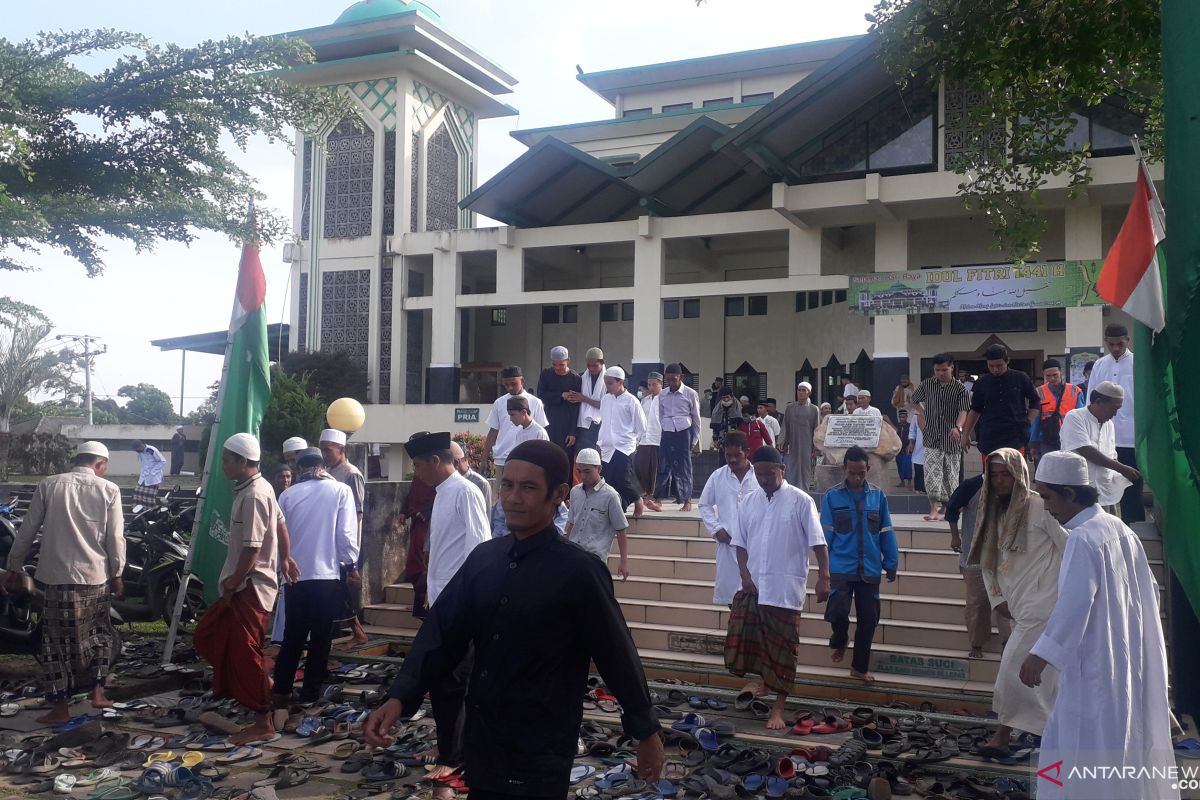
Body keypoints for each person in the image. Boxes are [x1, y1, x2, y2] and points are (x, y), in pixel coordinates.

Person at [364, 440, 665, 796]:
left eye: (529, 487)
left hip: (540, 745)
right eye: (507, 485)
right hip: (484, 739)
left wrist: (646, 730)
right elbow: (443, 633)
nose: (513, 498)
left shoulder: (579, 571)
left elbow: (617, 654)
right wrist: (400, 696)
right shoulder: (484, 560)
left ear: (558, 494)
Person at [1021, 451, 1176, 800]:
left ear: (1070, 494)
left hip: (1095, 664)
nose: (1045, 506)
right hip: (1126, 658)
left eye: (1047, 496)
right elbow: (1150, 591)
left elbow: (1075, 604)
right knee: (1125, 738)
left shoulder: (1084, 537)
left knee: (1079, 743)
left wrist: (1041, 654)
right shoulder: (1119, 529)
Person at [6, 441, 123, 723]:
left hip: (56, 580)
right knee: (99, 637)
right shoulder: (109, 489)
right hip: (95, 579)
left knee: (56, 642)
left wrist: (13, 566)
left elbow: (28, 529)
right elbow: (115, 537)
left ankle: (60, 708)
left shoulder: (49, 485)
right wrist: (118, 574)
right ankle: (97, 693)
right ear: (100, 465)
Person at [194, 433, 298, 745]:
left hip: (248, 588)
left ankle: (262, 717)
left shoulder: (254, 494)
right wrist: (286, 557)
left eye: (227, 459)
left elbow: (251, 551)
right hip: (248, 585)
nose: (223, 465)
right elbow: (280, 525)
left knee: (244, 653)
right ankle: (249, 688)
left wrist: (232, 584)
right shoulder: (261, 487)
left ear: (242, 462)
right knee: (209, 638)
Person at [967, 448, 1067, 759]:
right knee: (1043, 678)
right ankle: (1048, 734)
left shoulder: (1041, 507)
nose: (999, 481)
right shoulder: (990, 511)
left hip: (1045, 603)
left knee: (1012, 668)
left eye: (1005, 474)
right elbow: (987, 561)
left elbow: (1070, 548)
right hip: (1019, 604)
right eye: (994, 475)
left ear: (1018, 474)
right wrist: (997, 599)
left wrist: (1069, 593)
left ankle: (1003, 734)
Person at [725, 446, 830, 729]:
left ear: (781, 470)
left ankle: (778, 709)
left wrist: (824, 578)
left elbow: (818, 543)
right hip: (754, 588)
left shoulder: (801, 501)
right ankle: (765, 682)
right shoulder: (748, 501)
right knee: (754, 645)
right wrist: (745, 577)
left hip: (785, 590)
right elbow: (740, 544)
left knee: (784, 652)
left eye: (769, 473)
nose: (763, 479)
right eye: (758, 474)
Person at [405, 431, 490, 779]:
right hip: (441, 601)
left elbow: (479, 547)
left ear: (436, 462)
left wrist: (470, 604)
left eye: (419, 465)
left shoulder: (465, 492)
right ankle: (447, 747)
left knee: (452, 683)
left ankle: (453, 758)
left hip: (460, 606)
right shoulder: (442, 493)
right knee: (441, 681)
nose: (417, 473)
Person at [272, 448, 358, 704]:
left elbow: (278, 537)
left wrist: (281, 570)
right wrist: (351, 563)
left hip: (295, 577)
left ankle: (281, 690)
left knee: (292, 638)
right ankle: (310, 694)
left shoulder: (288, 495)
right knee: (321, 640)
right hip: (327, 577)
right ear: (323, 466)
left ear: (299, 469)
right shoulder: (340, 491)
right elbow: (346, 535)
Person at [821, 447, 897, 683]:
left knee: (868, 619)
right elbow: (825, 538)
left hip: (871, 568)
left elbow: (886, 531)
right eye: (852, 473)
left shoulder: (878, 497)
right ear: (845, 469)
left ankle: (859, 667)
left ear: (868, 470)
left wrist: (891, 561)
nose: (856, 478)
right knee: (838, 612)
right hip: (841, 566)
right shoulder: (831, 497)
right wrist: (824, 570)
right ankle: (840, 640)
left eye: (861, 473)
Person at [944, 474, 1011, 658]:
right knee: (977, 602)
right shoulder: (972, 486)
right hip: (974, 555)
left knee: (1007, 600)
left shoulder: (1015, 485)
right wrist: (955, 536)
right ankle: (977, 644)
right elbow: (951, 508)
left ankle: (1009, 643)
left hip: (1005, 556)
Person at [1058, 382, 1140, 514]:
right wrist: (1122, 468)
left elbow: (1111, 455)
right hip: (1080, 491)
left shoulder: (1109, 425)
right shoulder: (1075, 417)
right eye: (1113, 408)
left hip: (1105, 491)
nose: (1115, 414)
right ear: (1098, 401)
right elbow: (1086, 450)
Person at [320, 428, 368, 649]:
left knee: (343, 591)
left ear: (341, 450)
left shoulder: (351, 474)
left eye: (328, 451)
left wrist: (353, 558)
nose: (325, 455)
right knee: (336, 591)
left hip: (347, 544)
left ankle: (358, 632)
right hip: (330, 543)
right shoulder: (325, 472)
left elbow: (357, 515)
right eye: (322, 451)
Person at [1088, 324, 1142, 522]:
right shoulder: (1100, 365)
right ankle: (1107, 525)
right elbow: (1090, 401)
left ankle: (1134, 526)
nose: (1116, 348)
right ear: (1106, 343)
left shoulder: (1138, 363)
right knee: (1104, 484)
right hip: (1104, 438)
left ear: (1128, 341)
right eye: (1112, 344)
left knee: (1130, 485)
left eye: (1120, 344)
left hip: (1131, 438)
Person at [698, 431, 758, 605]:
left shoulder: (758, 477)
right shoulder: (717, 476)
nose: (732, 460)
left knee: (757, 595)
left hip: (755, 546)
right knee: (732, 597)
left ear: (747, 452)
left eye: (737, 455)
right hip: (728, 545)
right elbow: (704, 504)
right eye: (728, 455)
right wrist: (716, 529)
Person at [910, 353, 971, 521]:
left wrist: (958, 428)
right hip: (932, 437)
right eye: (937, 370)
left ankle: (948, 508)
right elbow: (914, 400)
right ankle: (933, 510)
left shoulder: (960, 389)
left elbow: (964, 411)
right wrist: (923, 413)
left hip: (952, 438)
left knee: (950, 474)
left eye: (944, 369)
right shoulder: (927, 385)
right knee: (931, 473)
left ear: (952, 367)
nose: (941, 373)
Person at [962, 344, 1039, 457]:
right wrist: (966, 434)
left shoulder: (1021, 378)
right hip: (989, 436)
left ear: (1007, 361)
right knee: (989, 472)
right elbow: (975, 410)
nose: (995, 369)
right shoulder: (981, 383)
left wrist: (1028, 421)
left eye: (999, 365)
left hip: (1016, 435)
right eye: (991, 366)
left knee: (1015, 472)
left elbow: (1035, 402)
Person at [565, 448, 630, 579]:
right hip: (573, 554)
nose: (583, 476)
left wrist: (624, 562)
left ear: (599, 469)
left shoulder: (610, 495)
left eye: (587, 471)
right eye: (579, 471)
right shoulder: (575, 492)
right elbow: (571, 523)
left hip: (595, 559)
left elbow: (621, 529)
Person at [598, 366, 647, 516]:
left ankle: (638, 500)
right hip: (607, 447)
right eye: (606, 383)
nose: (607, 386)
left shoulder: (631, 401)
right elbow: (604, 421)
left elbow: (641, 426)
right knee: (609, 482)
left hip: (624, 447)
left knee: (623, 480)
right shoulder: (605, 399)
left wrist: (630, 439)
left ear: (620, 382)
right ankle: (619, 510)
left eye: (610, 383)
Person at [656, 363, 703, 511]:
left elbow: (696, 419)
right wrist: (664, 427)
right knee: (663, 464)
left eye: (674, 379)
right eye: (668, 380)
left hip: (684, 432)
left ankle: (687, 500)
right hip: (667, 431)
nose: (671, 383)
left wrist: (693, 440)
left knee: (684, 467)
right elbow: (661, 415)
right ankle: (658, 499)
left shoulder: (690, 393)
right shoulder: (662, 394)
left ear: (681, 377)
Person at [484, 366, 550, 469]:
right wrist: (484, 458)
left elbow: (541, 432)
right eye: (506, 385)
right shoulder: (499, 402)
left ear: (522, 380)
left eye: (513, 384)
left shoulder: (535, 402)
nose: (510, 387)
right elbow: (493, 431)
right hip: (502, 459)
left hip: (527, 462)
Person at [400, 474, 436, 618]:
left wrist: (424, 514)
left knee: (424, 564)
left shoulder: (438, 477)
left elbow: (439, 496)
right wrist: (404, 511)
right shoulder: (419, 475)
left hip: (428, 525)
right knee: (414, 564)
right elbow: (412, 493)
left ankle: (423, 605)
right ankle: (418, 604)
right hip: (417, 524)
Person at [1032, 359, 1083, 458]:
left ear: (1061, 372)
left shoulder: (1075, 391)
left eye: (1055, 375)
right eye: (1048, 376)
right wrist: (1034, 443)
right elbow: (1035, 421)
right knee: (1048, 469)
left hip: (1070, 439)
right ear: (1044, 375)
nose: (1052, 378)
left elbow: (1081, 417)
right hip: (1047, 440)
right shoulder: (1039, 392)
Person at [536, 345, 581, 455]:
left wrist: (572, 432)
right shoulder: (546, 374)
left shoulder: (575, 378)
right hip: (548, 419)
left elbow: (576, 407)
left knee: (565, 457)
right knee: (548, 455)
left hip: (566, 423)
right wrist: (561, 395)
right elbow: (541, 395)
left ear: (568, 361)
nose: (557, 368)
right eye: (554, 365)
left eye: (561, 364)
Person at [779, 381, 820, 491]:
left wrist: (815, 447)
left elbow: (816, 428)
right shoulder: (790, 408)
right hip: (792, 444)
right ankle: (791, 491)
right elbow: (785, 426)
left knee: (805, 469)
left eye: (804, 390)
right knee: (791, 468)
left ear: (809, 393)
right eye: (799, 390)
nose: (801, 393)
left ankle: (804, 492)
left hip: (807, 445)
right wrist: (782, 442)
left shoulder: (814, 409)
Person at [567, 347, 606, 457]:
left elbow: (606, 406)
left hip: (601, 425)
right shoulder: (581, 378)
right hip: (583, 426)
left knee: (598, 458)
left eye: (595, 366)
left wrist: (584, 399)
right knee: (582, 458)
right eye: (588, 365)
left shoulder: (608, 381)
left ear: (602, 363)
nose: (591, 368)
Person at [634, 372, 663, 512]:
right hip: (645, 439)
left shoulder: (665, 399)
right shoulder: (645, 400)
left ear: (661, 384)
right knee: (640, 466)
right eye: (649, 384)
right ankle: (646, 493)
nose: (651, 387)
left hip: (659, 439)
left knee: (656, 469)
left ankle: (655, 498)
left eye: (654, 384)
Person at [450, 440, 491, 508]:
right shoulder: (446, 481)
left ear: (466, 458)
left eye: (454, 461)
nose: (451, 465)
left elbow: (486, 514)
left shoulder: (480, 483)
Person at [132, 439, 166, 508]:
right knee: (137, 493)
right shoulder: (140, 452)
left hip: (153, 478)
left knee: (149, 497)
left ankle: (150, 511)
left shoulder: (152, 450)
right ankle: (139, 510)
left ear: (141, 446)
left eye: (137, 449)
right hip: (144, 477)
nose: (137, 451)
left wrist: (153, 471)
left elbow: (162, 461)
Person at [908, 412, 926, 494]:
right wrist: (911, 443)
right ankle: (918, 488)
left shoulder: (935, 413)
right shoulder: (916, 416)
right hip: (919, 446)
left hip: (932, 446)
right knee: (918, 468)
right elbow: (912, 431)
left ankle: (927, 488)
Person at [895, 409, 912, 489]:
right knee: (899, 465)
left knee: (907, 466)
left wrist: (909, 446)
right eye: (900, 417)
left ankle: (909, 483)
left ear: (906, 417)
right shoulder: (897, 426)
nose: (902, 419)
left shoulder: (910, 426)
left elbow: (912, 437)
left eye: (903, 417)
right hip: (899, 450)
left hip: (907, 449)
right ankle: (902, 482)